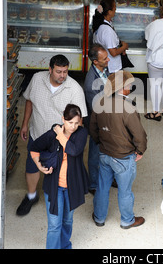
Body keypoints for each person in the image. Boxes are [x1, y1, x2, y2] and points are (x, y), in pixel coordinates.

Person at [17, 54, 88, 216]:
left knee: (56, 171)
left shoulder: (75, 89)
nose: (62, 75)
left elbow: (80, 120)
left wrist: (73, 145)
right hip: (37, 133)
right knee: (32, 165)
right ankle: (31, 195)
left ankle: (58, 198)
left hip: (58, 141)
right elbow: (29, 101)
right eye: (58, 71)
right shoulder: (36, 79)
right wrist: (25, 123)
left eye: (65, 71)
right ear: (50, 69)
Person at [90, 71, 147, 229]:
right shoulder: (127, 107)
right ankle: (127, 220)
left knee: (102, 187)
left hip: (104, 153)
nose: (130, 87)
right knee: (125, 191)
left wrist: (100, 143)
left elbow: (93, 129)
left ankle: (99, 217)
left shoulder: (100, 102)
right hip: (123, 157)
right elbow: (139, 134)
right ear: (122, 88)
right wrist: (140, 150)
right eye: (128, 85)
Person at [30, 104, 89, 249]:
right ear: (63, 119)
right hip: (54, 186)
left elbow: (73, 150)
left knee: (67, 221)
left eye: (76, 122)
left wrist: (60, 134)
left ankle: (65, 246)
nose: (73, 126)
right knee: (55, 225)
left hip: (72, 186)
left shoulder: (81, 133)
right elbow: (34, 147)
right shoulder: (51, 135)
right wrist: (39, 166)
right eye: (70, 122)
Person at [83, 44, 110, 194]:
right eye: (105, 58)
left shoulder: (103, 69)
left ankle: (107, 176)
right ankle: (93, 184)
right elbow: (97, 109)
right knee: (95, 153)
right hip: (98, 122)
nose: (108, 60)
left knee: (108, 151)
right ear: (95, 62)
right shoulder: (90, 84)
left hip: (108, 116)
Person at [92, 0, 129, 73]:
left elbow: (106, 42)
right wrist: (124, 46)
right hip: (112, 68)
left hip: (106, 67)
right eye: (114, 7)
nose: (115, 9)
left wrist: (120, 43)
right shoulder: (107, 30)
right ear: (109, 12)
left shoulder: (100, 25)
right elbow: (113, 53)